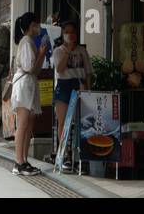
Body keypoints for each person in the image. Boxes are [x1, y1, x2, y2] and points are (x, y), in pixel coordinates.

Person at [51, 19, 90, 173]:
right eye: (66, 32)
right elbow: (60, 69)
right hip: (64, 85)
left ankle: (79, 156)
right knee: (63, 122)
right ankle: (65, 154)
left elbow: (88, 73)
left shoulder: (82, 51)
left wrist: (89, 89)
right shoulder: (58, 51)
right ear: (62, 34)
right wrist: (67, 51)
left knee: (81, 122)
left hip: (79, 84)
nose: (70, 35)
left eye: (72, 32)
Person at [9, 13, 45, 177]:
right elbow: (31, 68)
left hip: (28, 85)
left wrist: (41, 53)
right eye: (37, 24)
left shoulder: (28, 42)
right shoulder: (26, 42)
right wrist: (42, 53)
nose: (39, 27)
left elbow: (33, 69)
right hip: (24, 86)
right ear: (32, 25)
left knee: (28, 125)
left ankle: (23, 159)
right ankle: (19, 162)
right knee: (23, 124)